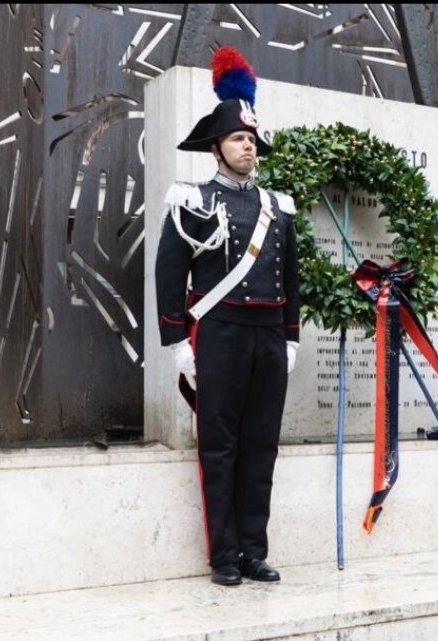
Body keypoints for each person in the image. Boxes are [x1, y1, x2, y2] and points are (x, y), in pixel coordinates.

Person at [155, 47, 301, 586]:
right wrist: (178, 342)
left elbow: (292, 278)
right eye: (238, 139)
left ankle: (253, 552)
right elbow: (169, 274)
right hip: (217, 334)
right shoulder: (191, 200)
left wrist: (291, 337)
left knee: (261, 446)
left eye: (252, 139)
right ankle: (223, 556)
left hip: (268, 335)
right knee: (219, 448)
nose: (248, 147)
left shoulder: (277, 208)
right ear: (216, 148)